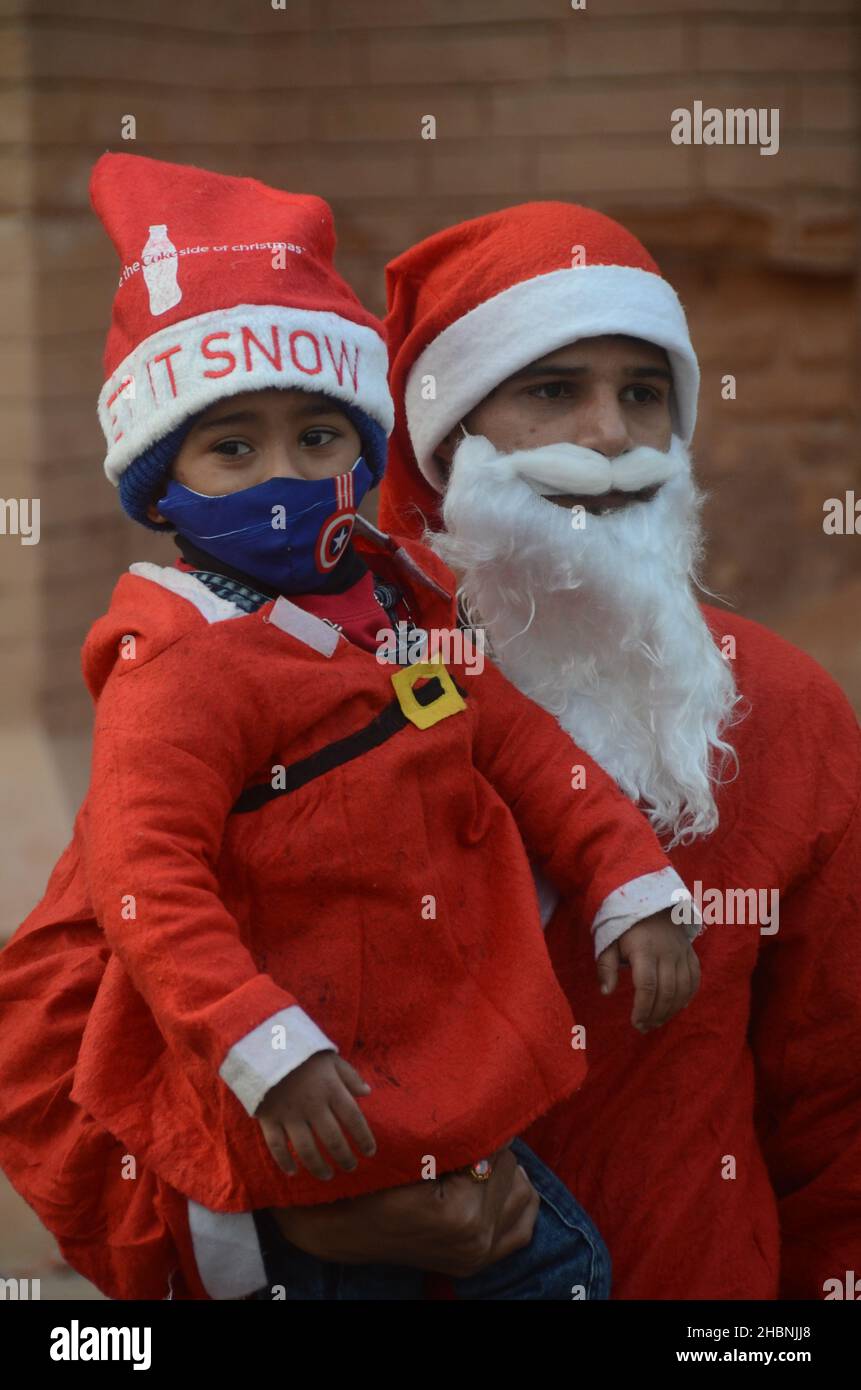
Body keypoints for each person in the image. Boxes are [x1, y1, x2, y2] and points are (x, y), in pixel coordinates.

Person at [0, 160, 702, 1301]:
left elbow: (516, 740)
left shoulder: (398, 597)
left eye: (319, 439)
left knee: (569, 1274)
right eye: (232, 449)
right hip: (301, 1127)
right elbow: (146, 882)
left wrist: (629, 878)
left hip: (449, 1079)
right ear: (160, 484)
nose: (285, 478)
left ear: (362, 450)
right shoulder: (177, 670)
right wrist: (260, 1045)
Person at [369, 201, 861, 1301]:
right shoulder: (310, 683)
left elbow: (840, 1113)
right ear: (451, 440)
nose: (608, 434)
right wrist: (293, 1229)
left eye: (643, 392)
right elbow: (62, 1048)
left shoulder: (786, 709)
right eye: (553, 390)